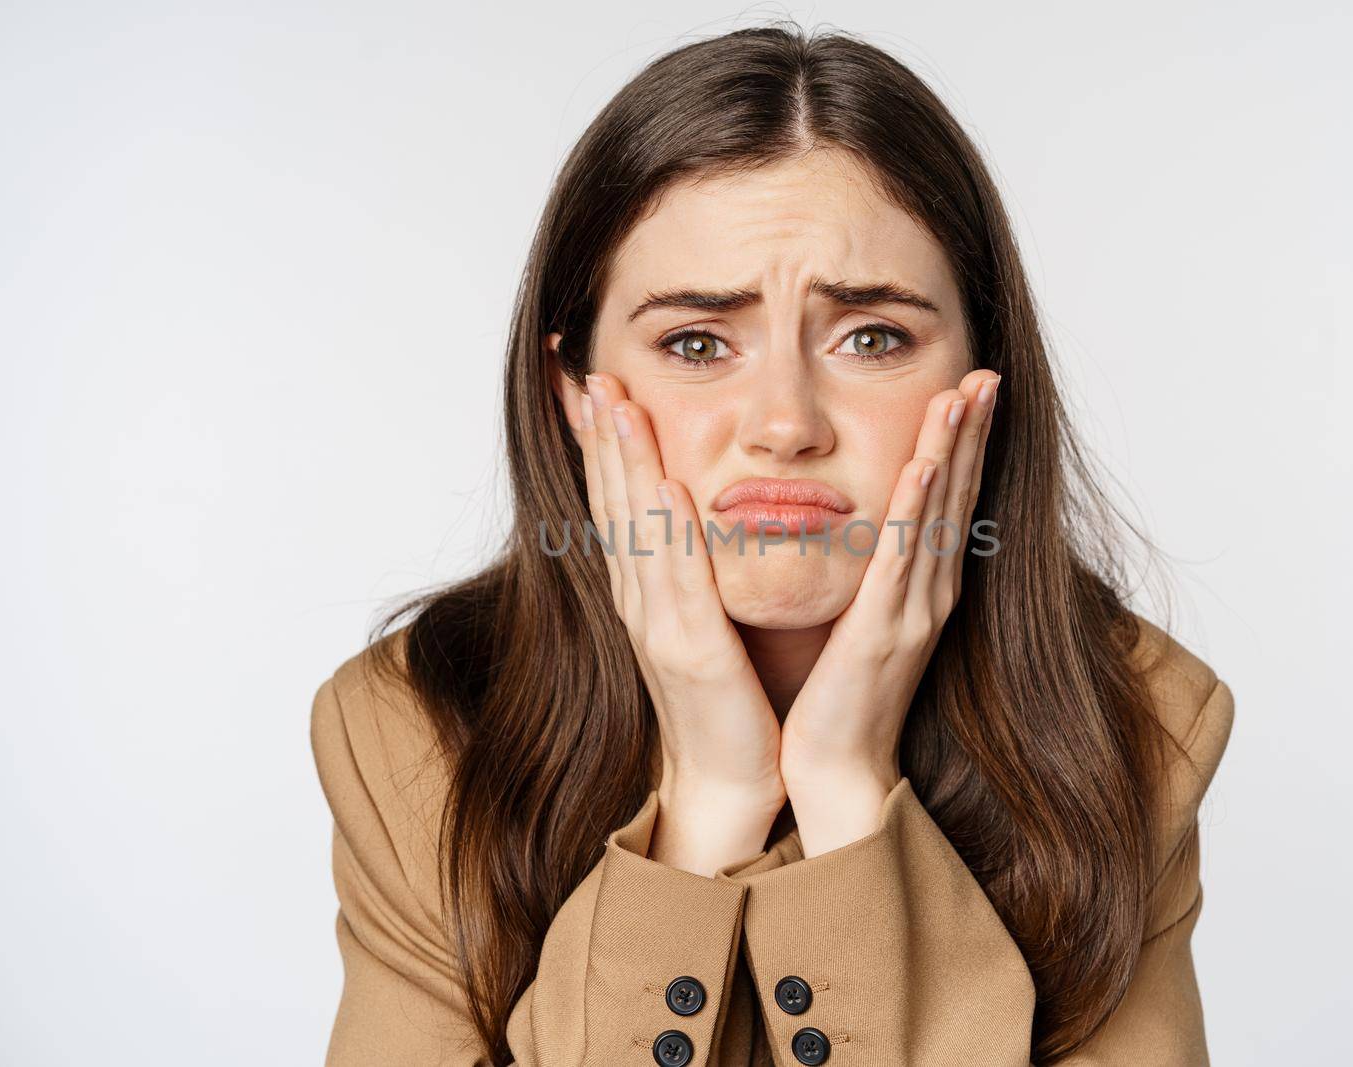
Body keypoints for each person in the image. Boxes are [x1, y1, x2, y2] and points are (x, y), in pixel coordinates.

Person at [310, 22, 1235, 1066]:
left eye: (872, 336)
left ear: (982, 379)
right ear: (570, 394)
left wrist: (847, 787)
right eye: (697, 342)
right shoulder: (412, 734)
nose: (786, 421)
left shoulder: (1135, 725)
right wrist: (706, 807)